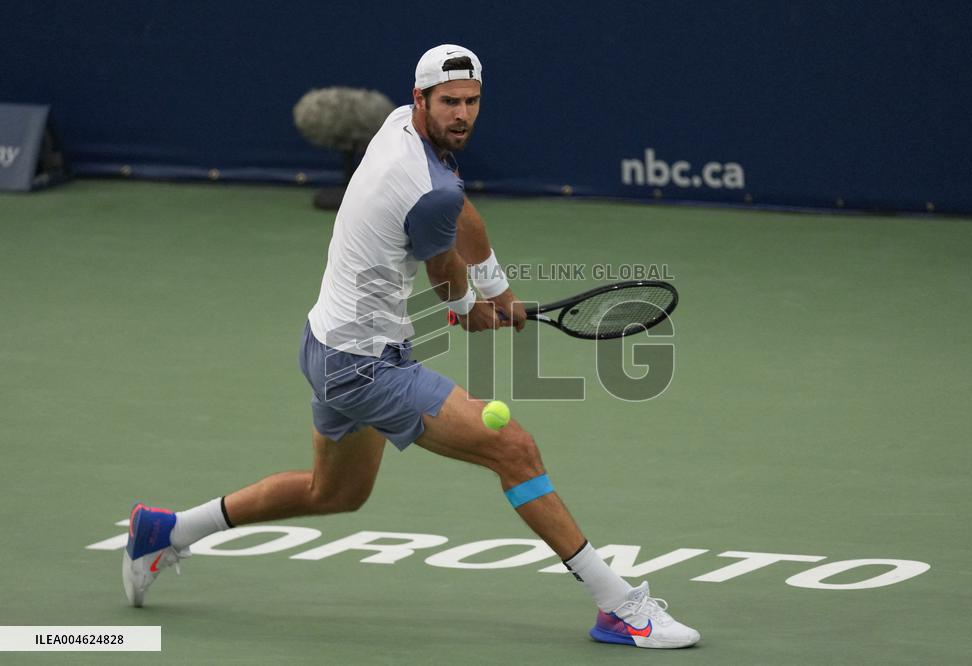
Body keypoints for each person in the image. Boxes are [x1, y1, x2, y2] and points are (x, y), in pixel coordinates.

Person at [122, 44, 700, 650]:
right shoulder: (427, 187)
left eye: (471, 102)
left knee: (335, 493)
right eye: (449, 102)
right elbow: (444, 271)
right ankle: (620, 607)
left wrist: (498, 291)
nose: (462, 114)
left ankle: (166, 531)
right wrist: (469, 310)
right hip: (362, 365)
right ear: (420, 98)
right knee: (514, 449)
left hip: (324, 344)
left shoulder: (401, 128)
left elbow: (460, 209)